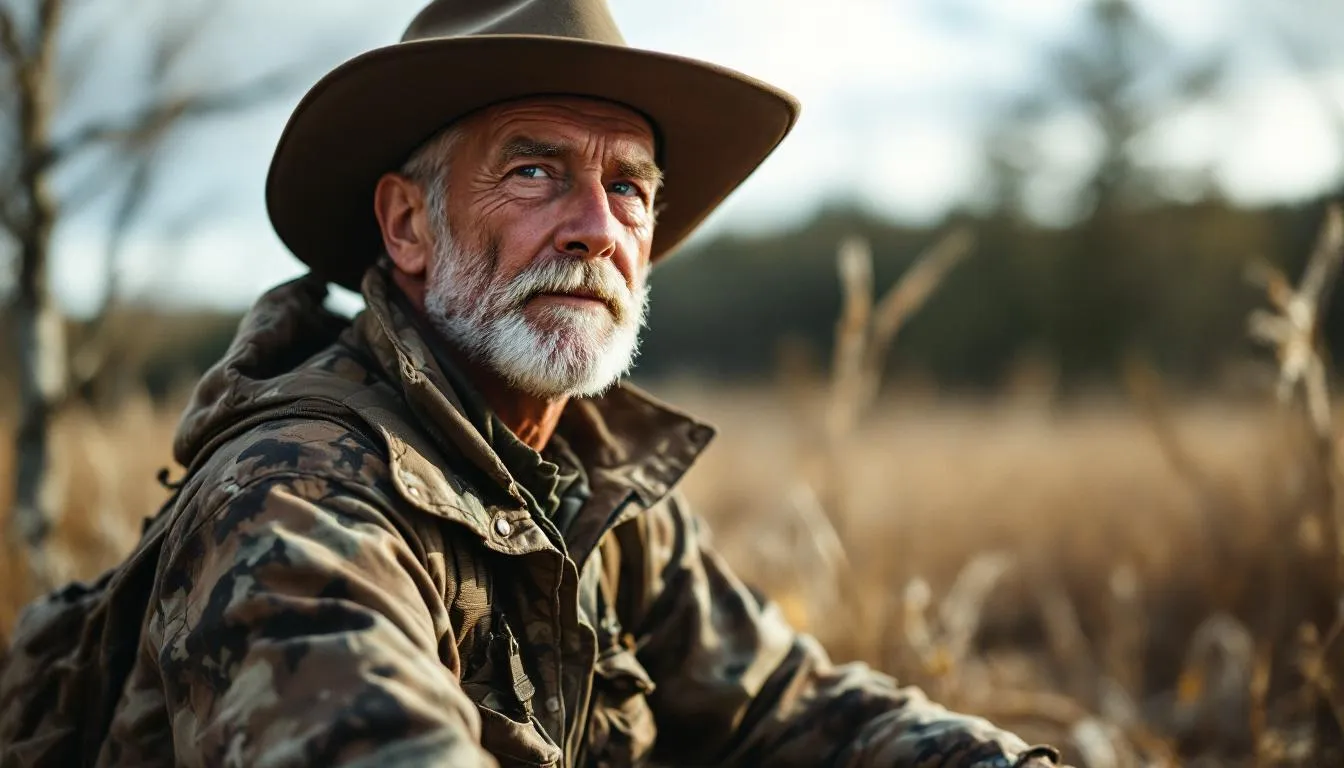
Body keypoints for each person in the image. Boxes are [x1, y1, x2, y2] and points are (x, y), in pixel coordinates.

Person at [1, 1, 1067, 766]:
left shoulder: (590, 482)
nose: (598, 230)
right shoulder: (294, 494)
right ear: (409, 227)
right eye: (535, 171)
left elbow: (780, 708)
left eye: (629, 188)